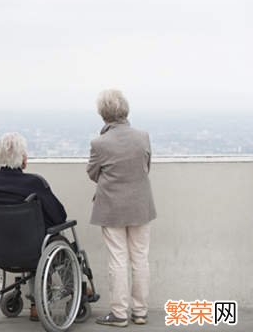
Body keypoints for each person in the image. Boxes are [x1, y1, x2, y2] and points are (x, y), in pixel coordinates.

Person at [0, 132, 67, 321]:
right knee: (55, 241)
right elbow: (59, 216)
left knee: (32, 240)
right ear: (22, 159)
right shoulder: (34, 183)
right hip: (33, 249)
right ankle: (58, 296)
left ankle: (37, 302)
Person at [87, 89, 156, 327]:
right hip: (140, 205)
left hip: (112, 207)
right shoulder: (143, 136)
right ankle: (140, 312)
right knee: (140, 258)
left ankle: (119, 313)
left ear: (103, 114)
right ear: (125, 110)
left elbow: (93, 173)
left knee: (117, 259)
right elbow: (146, 166)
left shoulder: (99, 143)